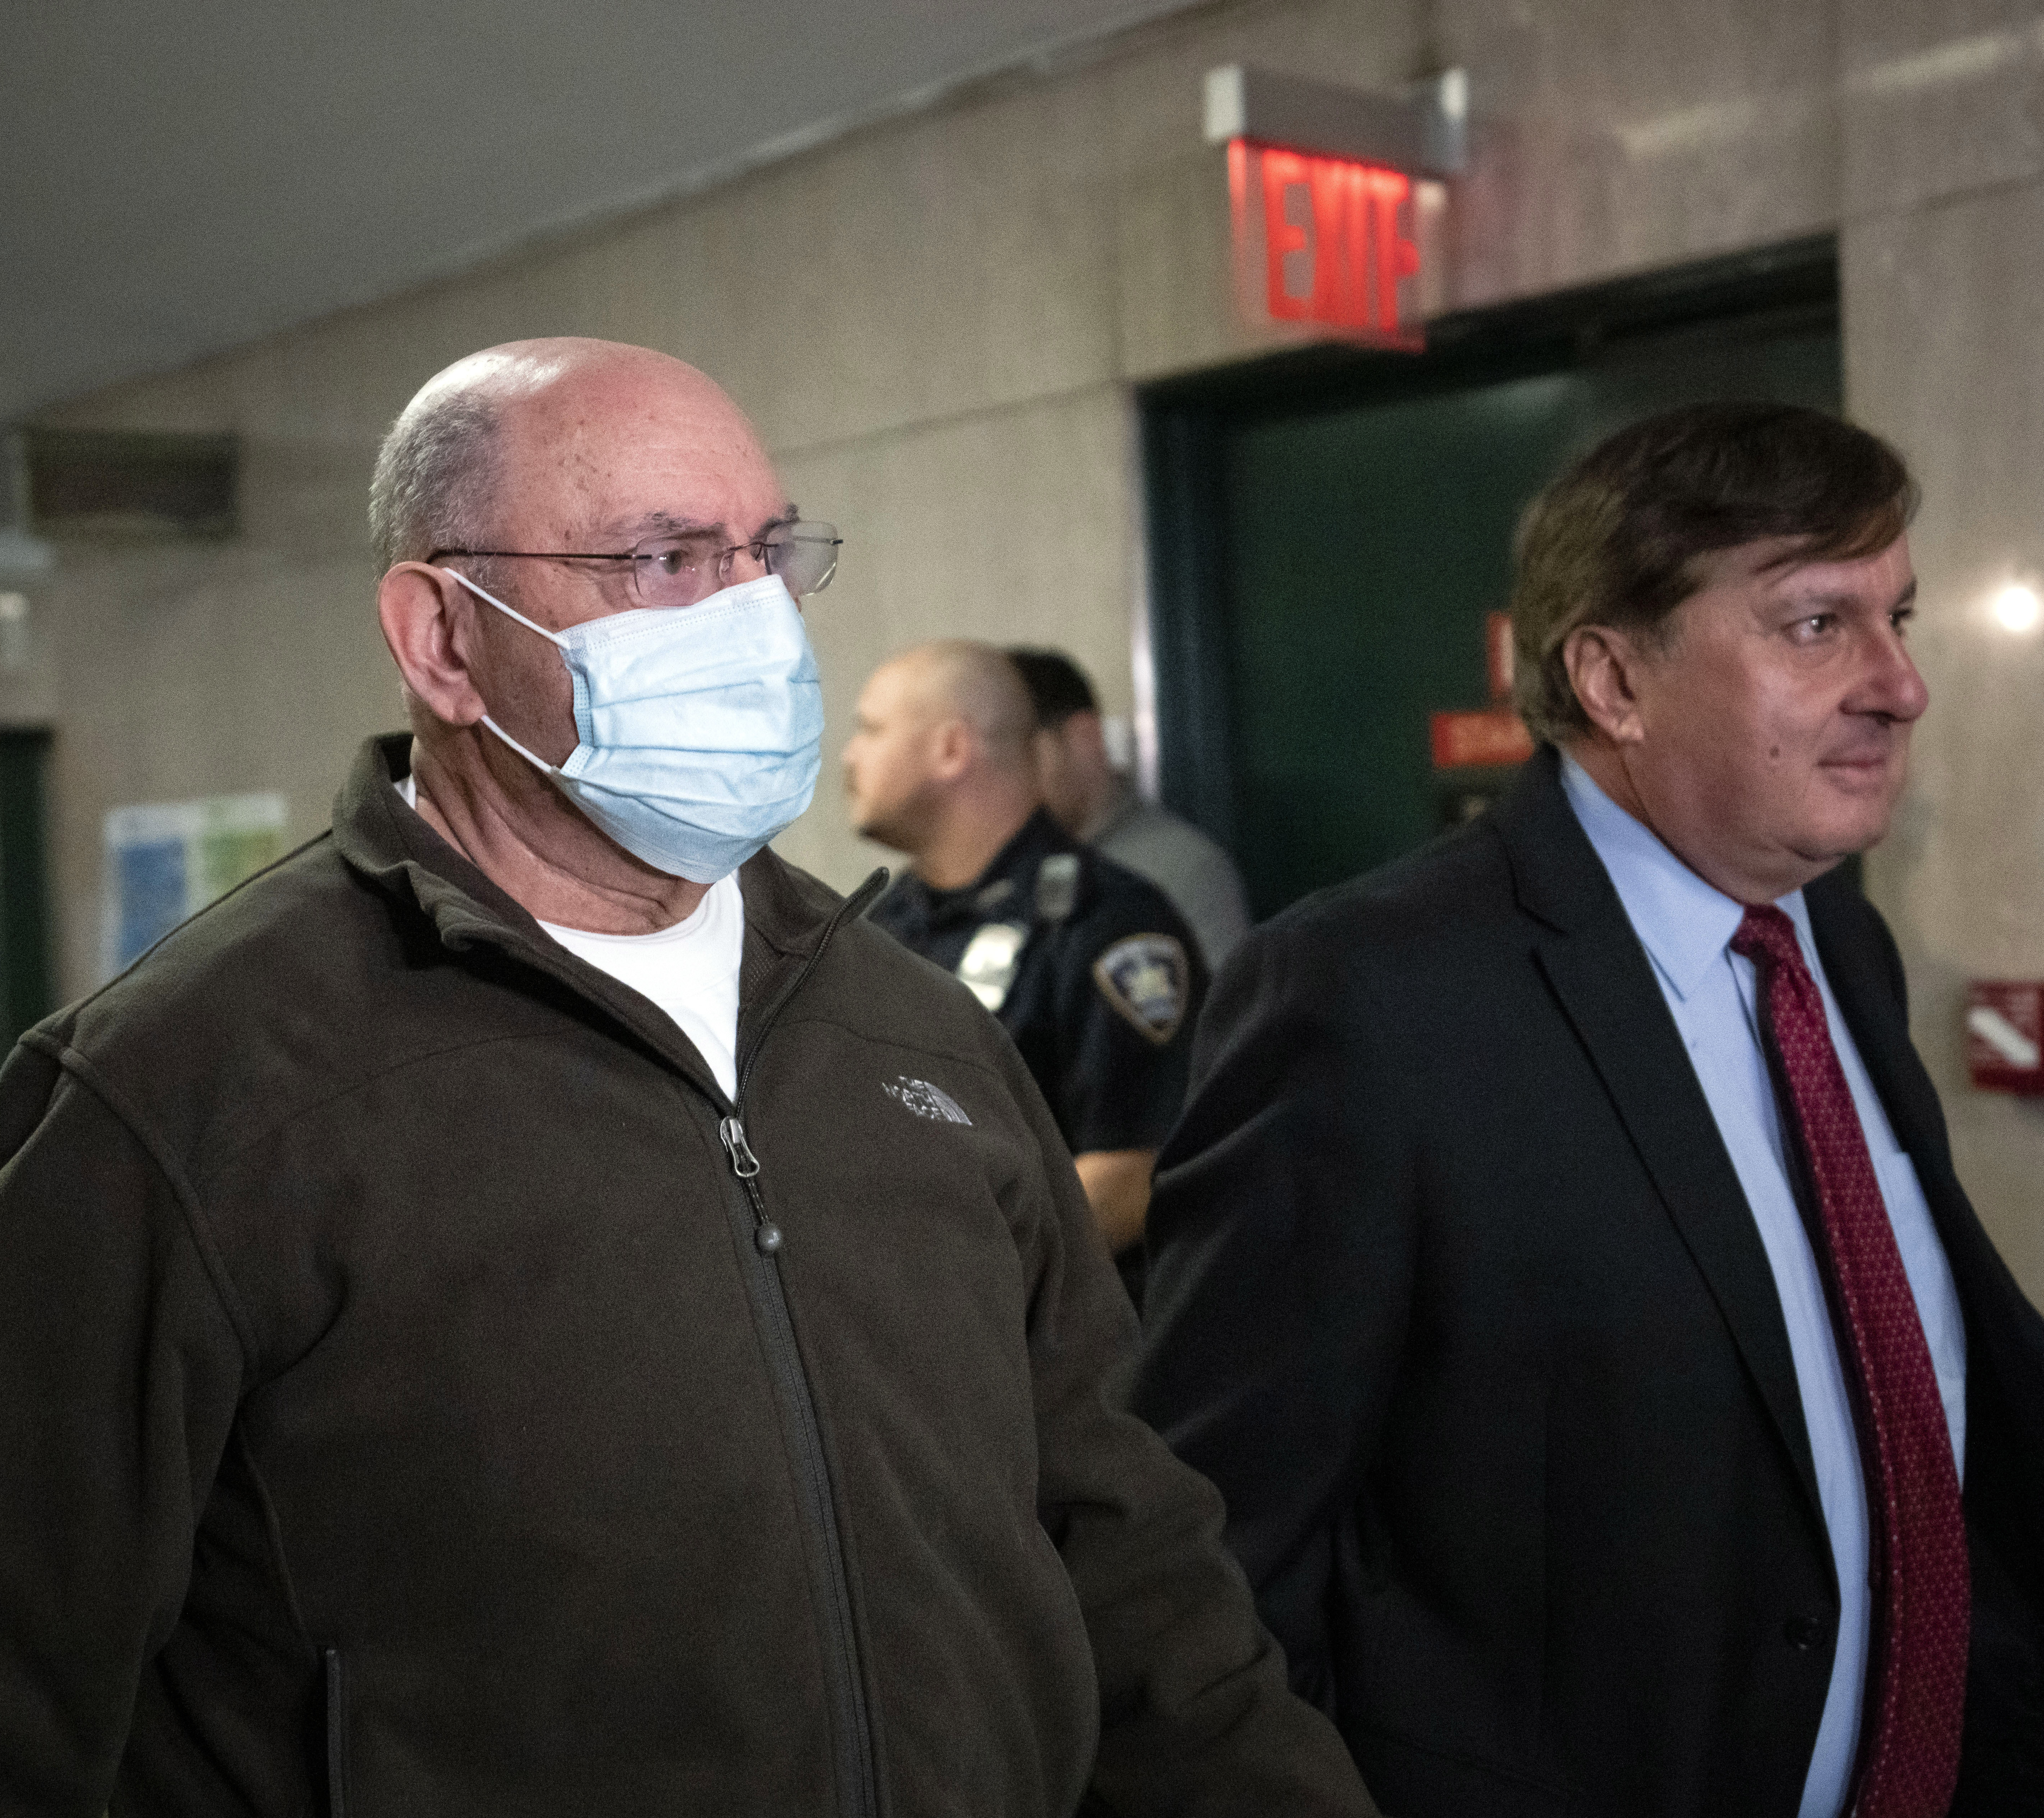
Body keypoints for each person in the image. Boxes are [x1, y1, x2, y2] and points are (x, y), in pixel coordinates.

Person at [0, 339, 1373, 1817]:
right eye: (662, 560)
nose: (752, 621)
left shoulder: (914, 1038)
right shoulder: (194, 1091)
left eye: (768, 553)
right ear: (443, 637)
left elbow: (1132, 1567)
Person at [1134, 403, 2044, 1817]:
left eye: (1898, 618)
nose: (1899, 685)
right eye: (1815, 624)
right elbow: (1208, 1555)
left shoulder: (1835, 944)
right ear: (1612, 679)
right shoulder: (1368, 998)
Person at [847, 641, 1204, 1287]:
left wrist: (941, 1282)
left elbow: (1131, 1174)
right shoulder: (883, 924)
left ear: (952, 750)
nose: (850, 758)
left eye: (871, 730)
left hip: (1055, 1349)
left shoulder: (1108, 924)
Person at [1008, 647, 1251, 970]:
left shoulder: (1181, 868)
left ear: (1084, 737)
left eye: (1020, 752)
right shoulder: (1004, 867)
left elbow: (1225, 1016)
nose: (1004, 778)